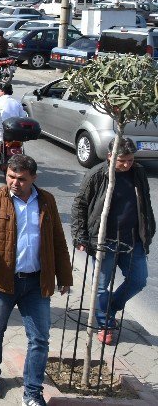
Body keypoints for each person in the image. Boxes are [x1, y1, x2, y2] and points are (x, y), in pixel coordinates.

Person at [0, 155, 72, 405]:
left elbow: (58, 241)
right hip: (4, 281)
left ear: (33, 178)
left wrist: (65, 276)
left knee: (39, 338)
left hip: (37, 283)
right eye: (10, 176)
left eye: (21, 178)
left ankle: (33, 390)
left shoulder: (46, 201)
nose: (14, 182)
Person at [71, 138, 155, 345]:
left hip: (132, 239)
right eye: (122, 161)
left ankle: (110, 307)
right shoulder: (97, 174)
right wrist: (79, 235)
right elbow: (80, 205)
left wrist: (148, 230)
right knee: (101, 286)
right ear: (110, 156)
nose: (127, 165)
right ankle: (105, 323)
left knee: (138, 279)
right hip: (104, 240)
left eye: (130, 160)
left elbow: (145, 203)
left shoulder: (138, 172)